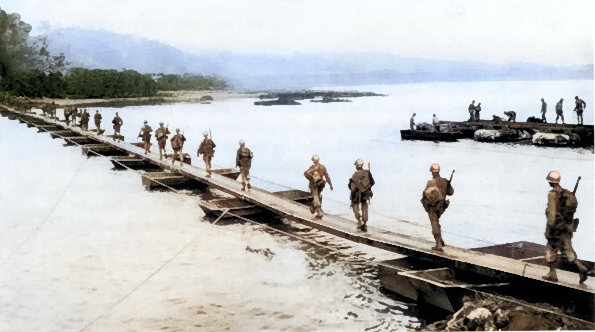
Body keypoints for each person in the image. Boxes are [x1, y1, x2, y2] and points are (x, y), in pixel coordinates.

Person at [542, 171, 591, 284]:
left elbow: (552, 213)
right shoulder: (567, 193)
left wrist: (550, 228)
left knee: (550, 250)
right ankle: (582, 268)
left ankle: (552, 274)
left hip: (556, 229)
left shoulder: (553, 194)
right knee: (567, 249)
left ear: (550, 181)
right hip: (567, 228)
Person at [420, 163, 454, 252]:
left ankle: (438, 245)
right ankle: (441, 241)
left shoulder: (431, 182)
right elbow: (451, 192)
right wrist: (448, 184)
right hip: (442, 206)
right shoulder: (444, 181)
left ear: (432, 172)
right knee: (437, 222)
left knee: (434, 223)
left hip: (433, 206)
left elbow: (425, 194)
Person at [304, 154, 333, 220]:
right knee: (318, 196)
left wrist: (311, 177)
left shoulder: (312, 167)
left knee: (315, 196)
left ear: (313, 160)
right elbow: (327, 176)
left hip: (314, 184)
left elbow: (306, 173)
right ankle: (314, 207)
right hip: (321, 184)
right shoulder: (323, 167)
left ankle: (319, 212)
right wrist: (330, 184)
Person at [348, 159, 375, 232]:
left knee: (354, 205)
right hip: (365, 192)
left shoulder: (355, 175)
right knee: (364, 205)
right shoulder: (367, 173)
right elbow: (372, 182)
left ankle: (359, 220)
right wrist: (366, 188)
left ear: (356, 166)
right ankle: (365, 223)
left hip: (356, 193)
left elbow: (352, 187)